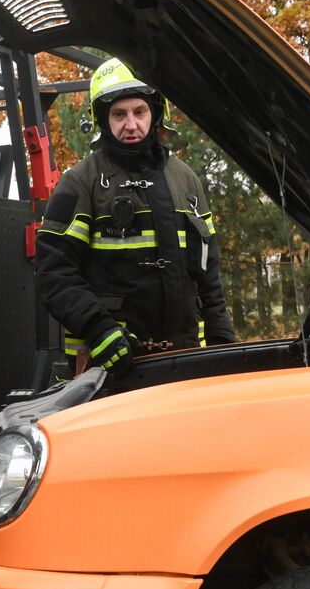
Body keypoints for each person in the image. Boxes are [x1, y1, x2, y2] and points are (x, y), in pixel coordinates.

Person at [34, 57, 235, 374]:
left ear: (156, 114)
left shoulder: (186, 180)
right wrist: (100, 330)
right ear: (103, 119)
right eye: (119, 114)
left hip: (185, 361)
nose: (131, 124)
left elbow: (209, 274)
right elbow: (54, 273)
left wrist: (222, 338)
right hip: (107, 364)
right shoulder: (80, 183)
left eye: (139, 112)